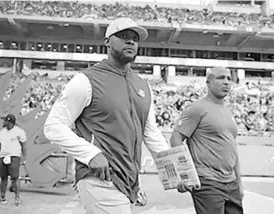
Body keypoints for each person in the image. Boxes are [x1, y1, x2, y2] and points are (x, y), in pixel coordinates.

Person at [44, 17, 170, 214]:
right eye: (123, 36)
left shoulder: (143, 85)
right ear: (107, 42)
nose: (131, 42)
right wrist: (90, 154)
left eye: (135, 39)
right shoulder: (86, 81)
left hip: (128, 179)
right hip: (99, 177)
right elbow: (53, 126)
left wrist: (175, 169)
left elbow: (150, 132)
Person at [170, 67, 244, 214]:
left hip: (231, 182)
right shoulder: (197, 109)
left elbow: (232, 150)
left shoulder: (227, 112)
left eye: (229, 79)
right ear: (208, 82)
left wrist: (239, 183)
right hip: (207, 181)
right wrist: (184, 174)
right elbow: (175, 139)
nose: (226, 82)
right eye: (221, 78)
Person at [0, 114, 27, 207]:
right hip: (3, 156)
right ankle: (2, 197)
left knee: (15, 178)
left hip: (14, 156)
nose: (3, 122)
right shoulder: (3, 131)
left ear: (9, 121)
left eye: (4, 121)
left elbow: (24, 145)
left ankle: (17, 198)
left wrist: (24, 157)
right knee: (3, 177)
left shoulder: (19, 132)